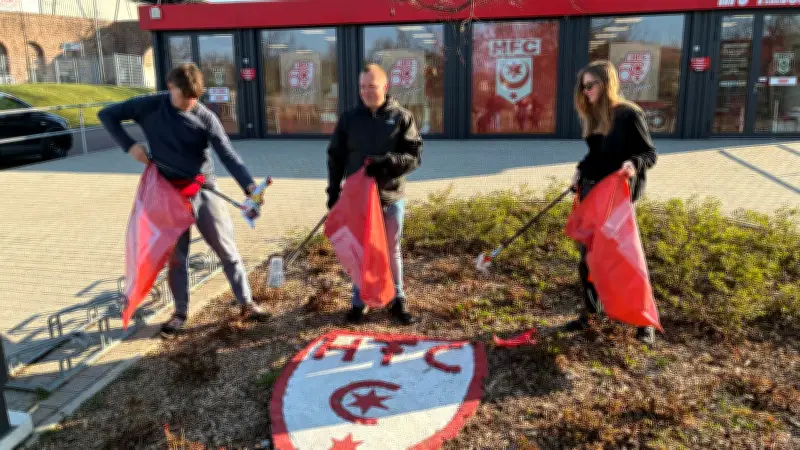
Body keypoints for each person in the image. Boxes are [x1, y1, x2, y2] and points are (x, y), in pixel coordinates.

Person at [98, 62, 270, 338]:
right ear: (170, 87)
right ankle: (180, 312)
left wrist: (250, 186)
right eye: (185, 97)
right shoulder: (149, 106)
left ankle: (247, 303)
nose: (191, 103)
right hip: (168, 194)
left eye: (196, 98)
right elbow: (106, 114)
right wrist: (130, 145)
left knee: (227, 250)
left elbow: (228, 154)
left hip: (203, 191)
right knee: (177, 258)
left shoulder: (205, 117)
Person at [566, 60, 658, 344]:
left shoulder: (629, 114)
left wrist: (633, 163)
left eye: (590, 85)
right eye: (583, 87)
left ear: (607, 84)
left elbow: (649, 153)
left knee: (624, 260)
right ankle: (591, 315)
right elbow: (596, 156)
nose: (586, 91)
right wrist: (580, 169)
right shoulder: (595, 117)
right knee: (588, 259)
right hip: (592, 194)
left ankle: (644, 323)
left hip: (617, 197)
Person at [326, 63, 423, 326]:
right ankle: (360, 300)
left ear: (385, 86)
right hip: (357, 202)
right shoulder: (349, 119)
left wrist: (388, 161)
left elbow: (414, 157)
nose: (366, 92)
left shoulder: (401, 117)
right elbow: (335, 156)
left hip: (390, 198)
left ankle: (397, 300)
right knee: (360, 250)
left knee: (391, 250)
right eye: (362, 87)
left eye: (371, 86)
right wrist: (333, 191)